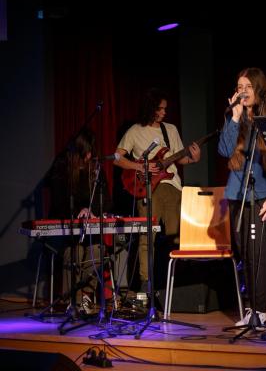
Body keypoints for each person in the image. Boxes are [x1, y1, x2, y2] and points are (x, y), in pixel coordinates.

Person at [218, 67, 266, 327]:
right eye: (239, 87)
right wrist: (234, 118)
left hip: (261, 196)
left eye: (248, 86)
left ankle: (260, 311)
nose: (243, 91)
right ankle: (250, 309)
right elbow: (224, 150)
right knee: (245, 255)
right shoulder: (236, 119)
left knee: (257, 253)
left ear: (259, 88)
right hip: (237, 195)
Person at [114, 88, 201, 292]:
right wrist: (139, 167)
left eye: (165, 109)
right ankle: (146, 284)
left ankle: (175, 285)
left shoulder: (170, 130)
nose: (163, 112)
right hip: (148, 189)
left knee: (175, 238)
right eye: (160, 109)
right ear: (150, 108)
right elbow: (117, 158)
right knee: (147, 238)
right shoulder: (135, 131)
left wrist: (193, 159)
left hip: (173, 188)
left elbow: (179, 158)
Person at [47, 127, 113, 314]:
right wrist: (79, 211)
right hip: (67, 231)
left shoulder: (96, 170)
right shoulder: (62, 168)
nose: (89, 155)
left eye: (91, 151)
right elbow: (59, 202)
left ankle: (86, 296)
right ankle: (73, 301)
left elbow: (106, 201)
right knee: (73, 252)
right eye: (86, 152)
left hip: (91, 231)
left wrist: (92, 211)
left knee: (97, 251)